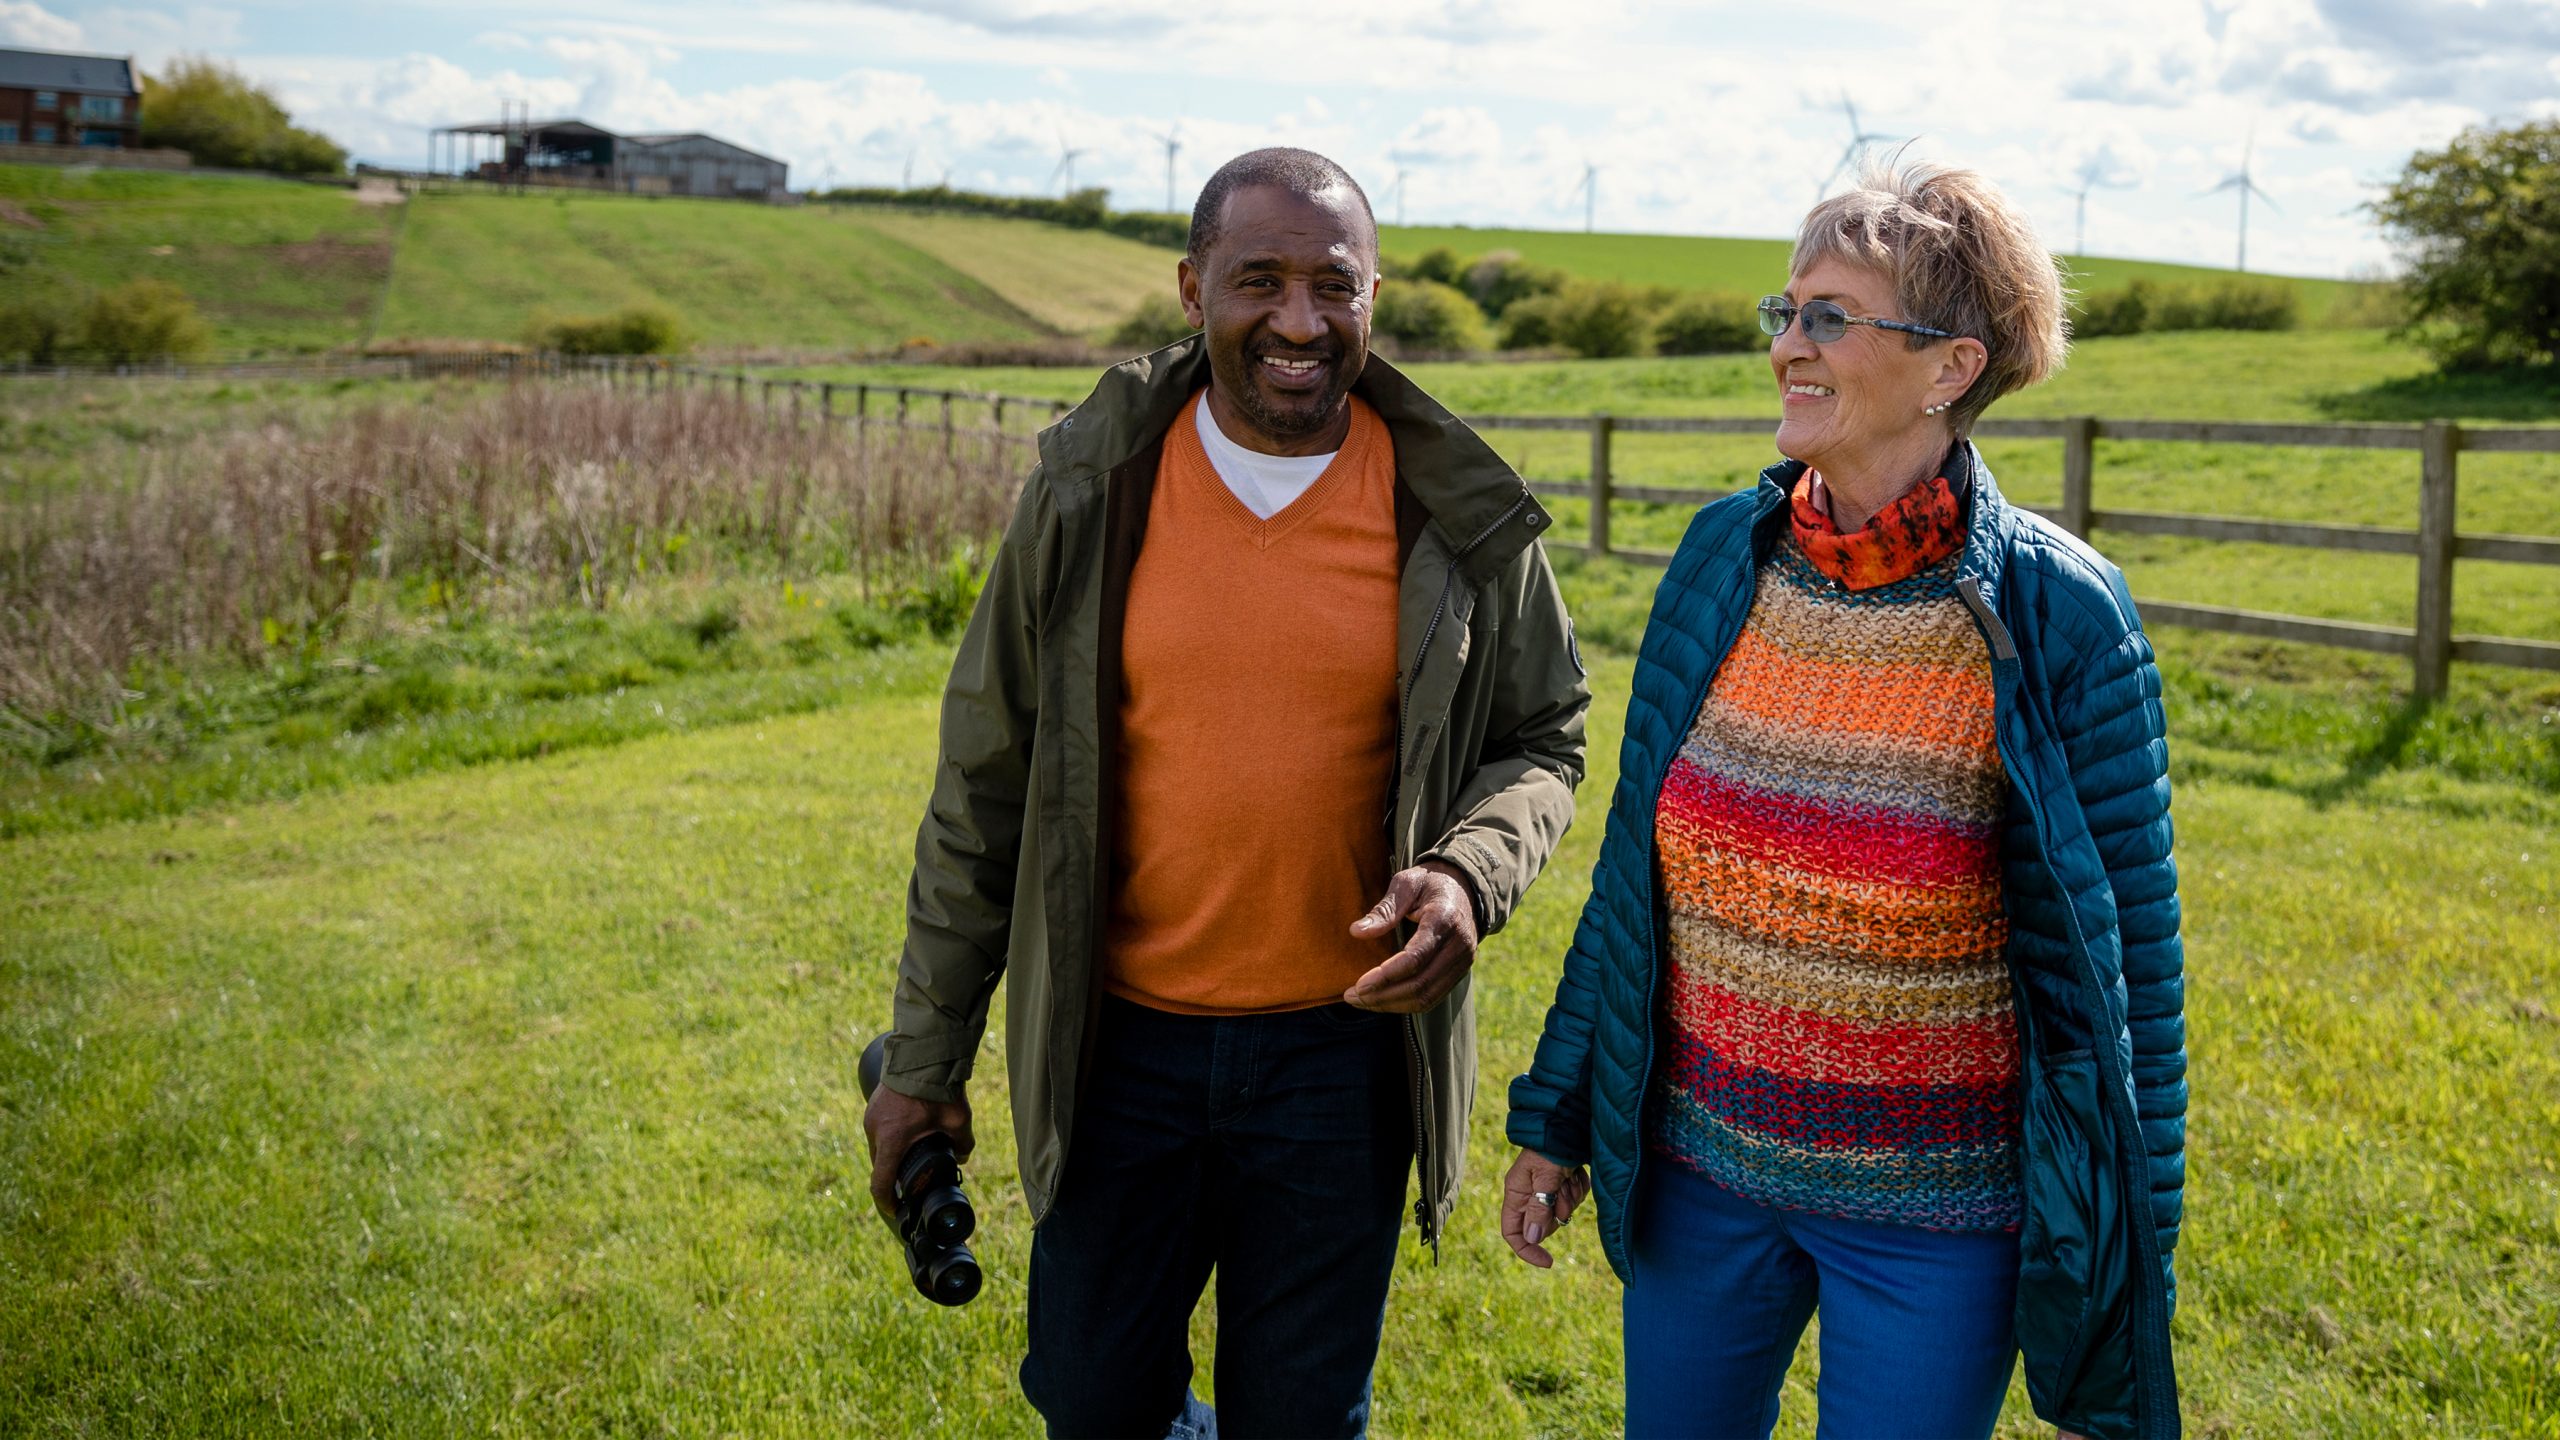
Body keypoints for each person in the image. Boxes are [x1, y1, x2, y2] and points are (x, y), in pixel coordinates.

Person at [863, 147, 1589, 1440]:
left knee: (1304, 1418)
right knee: (1093, 1403)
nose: (1300, 321)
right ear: (1194, 287)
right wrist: (924, 1061)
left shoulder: (1452, 508)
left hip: (1340, 1058)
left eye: (1335, 285)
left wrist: (1473, 872)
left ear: (1374, 301)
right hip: (1116, 1049)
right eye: (1260, 280)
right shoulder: (1093, 490)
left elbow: (1545, 733)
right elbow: (984, 782)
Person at [1501, 158, 2185, 1440]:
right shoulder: (1721, 558)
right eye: (1787, 310)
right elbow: (1631, 883)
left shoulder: (2061, 614)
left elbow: (2127, 969)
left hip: (1938, 1222)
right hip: (1700, 1188)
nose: (1788, 347)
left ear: (1949, 368)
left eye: (1830, 317)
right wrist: (1555, 1115)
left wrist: (2129, 1246)